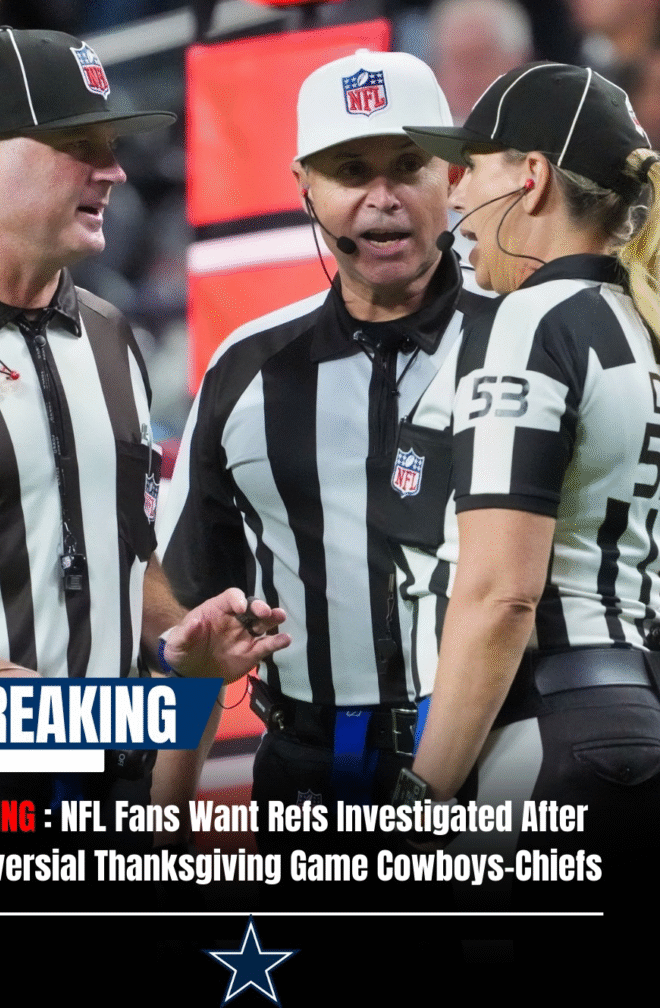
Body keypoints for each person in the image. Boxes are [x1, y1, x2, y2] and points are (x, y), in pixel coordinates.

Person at [0, 26, 290, 923]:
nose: (113, 171)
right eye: (77, 145)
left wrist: (180, 636)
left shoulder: (115, 337)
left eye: (112, 146)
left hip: (108, 791)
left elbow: (118, 548)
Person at [158, 50, 491, 897]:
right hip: (306, 781)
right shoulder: (245, 368)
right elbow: (194, 620)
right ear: (303, 186)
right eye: (349, 171)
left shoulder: (527, 338)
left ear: (452, 176)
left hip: (501, 760)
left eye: (407, 165)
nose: (381, 196)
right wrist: (158, 837)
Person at [395, 61, 660, 910]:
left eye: (472, 165)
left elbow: (501, 595)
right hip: (635, 722)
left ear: (531, 177)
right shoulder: (641, 325)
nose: (455, 193)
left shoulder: (532, 321)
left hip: (546, 738)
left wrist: (422, 796)